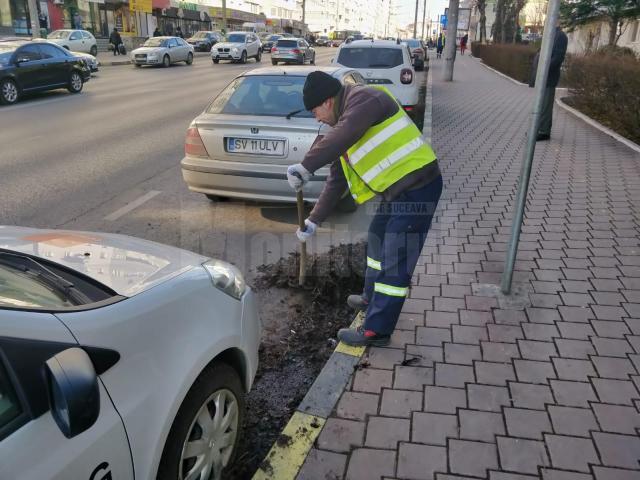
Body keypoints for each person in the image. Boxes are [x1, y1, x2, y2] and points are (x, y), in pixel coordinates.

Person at [286, 71, 443, 347]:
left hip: (419, 188)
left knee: (395, 261)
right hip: (397, 193)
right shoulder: (346, 122)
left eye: (315, 111)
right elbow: (336, 180)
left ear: (327, 102)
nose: (316, 118)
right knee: (377, 240)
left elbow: (345, 133)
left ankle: (376, 331)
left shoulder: (366, 99)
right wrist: (313, 221)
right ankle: (371, 298)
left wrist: (306, 165)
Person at [529, 22, 567, 141]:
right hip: (542, 76)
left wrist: (544, 69)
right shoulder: (550, 34)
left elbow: (558, 57)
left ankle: (543, 131)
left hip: (548, 77)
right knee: (540, 105)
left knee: (545, 105)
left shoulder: (560, 36)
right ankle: (539, 129)